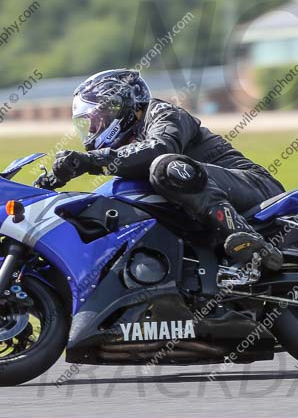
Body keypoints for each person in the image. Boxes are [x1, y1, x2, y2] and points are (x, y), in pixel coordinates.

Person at [36, 69, 285, 270]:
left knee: (167, 166)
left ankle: (249, 241)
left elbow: (158, 149)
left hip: (256, 189)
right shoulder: (128, 140)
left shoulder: (163, 113)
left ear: (121, 106)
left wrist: (91, 161)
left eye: (98, 118)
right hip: (209, 200)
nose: (92, 130)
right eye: (88, 123)